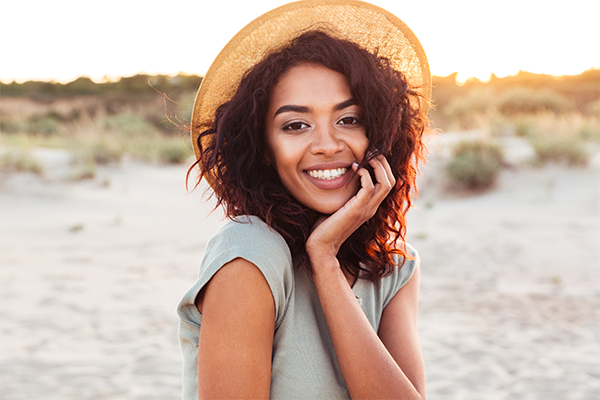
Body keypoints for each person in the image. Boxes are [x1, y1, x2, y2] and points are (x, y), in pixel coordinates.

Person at [177, 1, 431, 399]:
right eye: (296, 125)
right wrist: (323, 252)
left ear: (379, 135)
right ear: (264, 149)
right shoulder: (249, 255)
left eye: (349, 119)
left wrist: (325, 259)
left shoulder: (394, 266)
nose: (328, 146)